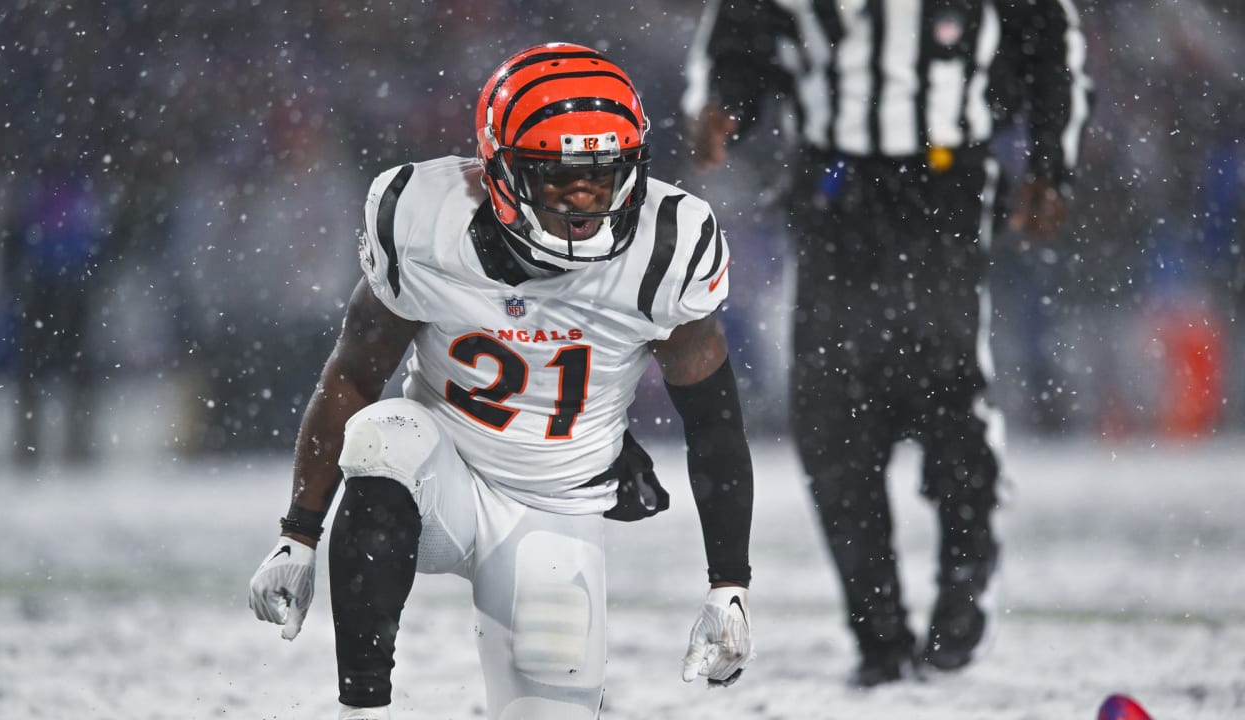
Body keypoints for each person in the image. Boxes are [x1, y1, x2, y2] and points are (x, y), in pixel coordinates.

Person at [248, 43, 756, 720]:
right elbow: (355, 373)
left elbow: (715, 422)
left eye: (602, 175)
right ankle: (361, 708)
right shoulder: (426, 223)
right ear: (498, 171)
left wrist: (729, 586)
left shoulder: (666, 247)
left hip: (558, 505)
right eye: (557, 176)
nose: (584, 198)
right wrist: (298, 534)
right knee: (382, 435)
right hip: (440, 477)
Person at [683, 0, 1090, 687]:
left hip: (944, 179)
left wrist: (1051, 161)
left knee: (951, 394)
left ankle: (963, 596)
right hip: (833, 186)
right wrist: (726, 104)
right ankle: (878, 636)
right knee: (832, 418)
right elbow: (741, 39)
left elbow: (1053, 47)